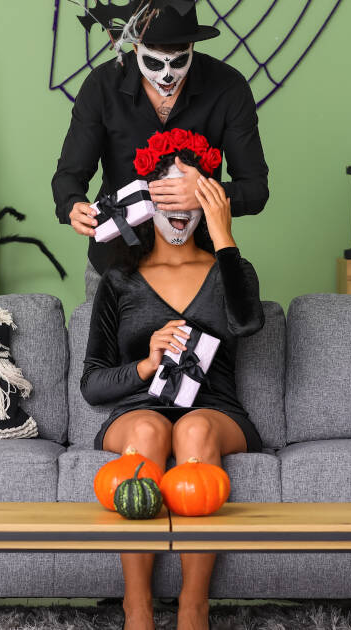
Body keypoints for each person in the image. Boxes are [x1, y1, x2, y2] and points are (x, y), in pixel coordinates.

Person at [81, 156, 263, 630]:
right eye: (166, 194)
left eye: (191, 194)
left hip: (215, 409)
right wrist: (146, 362)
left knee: (195, 428)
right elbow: (93, 384)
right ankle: (136, 606)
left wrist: (224, 233)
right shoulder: (119, 280)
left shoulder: (231, 269)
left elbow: (248, 322)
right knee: (147, 427)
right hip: (139, 407)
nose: (178, 206)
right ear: (146, 202)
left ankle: (193, 608)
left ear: (205, 202)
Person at [51, 0, 269, 302]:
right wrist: (72, 205)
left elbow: (256, 189)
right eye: (154, 63)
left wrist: (206, 193)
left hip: (196, 272)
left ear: (192, 45)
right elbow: (69, 176)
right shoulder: (102, 86)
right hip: (115, 264)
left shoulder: (228, 88)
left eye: (179, 62)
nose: (167, 75)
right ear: (135, 48)